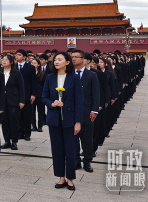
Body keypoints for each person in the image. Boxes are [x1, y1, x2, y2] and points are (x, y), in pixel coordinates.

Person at [42, 52, 83, 191]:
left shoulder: (74, 78)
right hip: (54, 119)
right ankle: (61, 177)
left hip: (70, 120)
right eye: (55, 60)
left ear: (67, 62)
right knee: (57, 150)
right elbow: (44, 97)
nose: (56, 62)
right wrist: (52, 103)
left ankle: (70, 179)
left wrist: (78, 121)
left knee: (70, 150)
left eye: (59, 59)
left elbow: (79, 101)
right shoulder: (50, 77)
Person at [72, 50, 99, 173]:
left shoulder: (92, 75)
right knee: (73, 139)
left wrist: (94, 110)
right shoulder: (68, 74)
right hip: (71, 112)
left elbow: (96, 94)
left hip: (87, 112)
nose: (73, 59)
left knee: (87, 139)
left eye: (76, 57)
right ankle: (76, 161)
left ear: (83, 59)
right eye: (72, 57)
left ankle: (87, 162)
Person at [0, 54, 25, 151]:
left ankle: (14, 142)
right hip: (2, 101)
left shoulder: (16, 73)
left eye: (6, 60)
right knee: (4, 122)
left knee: (14, 121)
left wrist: (22, 101)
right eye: (3, 59)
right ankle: (7, 141)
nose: (4, 61)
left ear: (11, 62)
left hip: (14, 100)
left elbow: (21, 88)